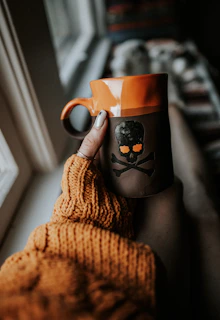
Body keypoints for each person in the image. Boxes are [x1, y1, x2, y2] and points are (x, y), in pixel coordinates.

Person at [0, 105, 220, 319]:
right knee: (185, 195)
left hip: (68, 273)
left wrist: (81, 214)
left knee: (172, 193)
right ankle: (172, 111)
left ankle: (170, 113)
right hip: (132, 297)